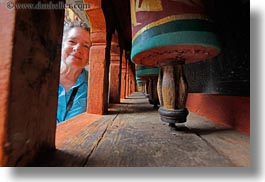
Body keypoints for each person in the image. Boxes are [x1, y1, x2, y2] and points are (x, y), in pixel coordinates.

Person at [56, 22, 91, 123]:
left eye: (85, 46)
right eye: (72, 41)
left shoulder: (93, 88)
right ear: (62, 44)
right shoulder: (41, 77)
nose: (78, 49)